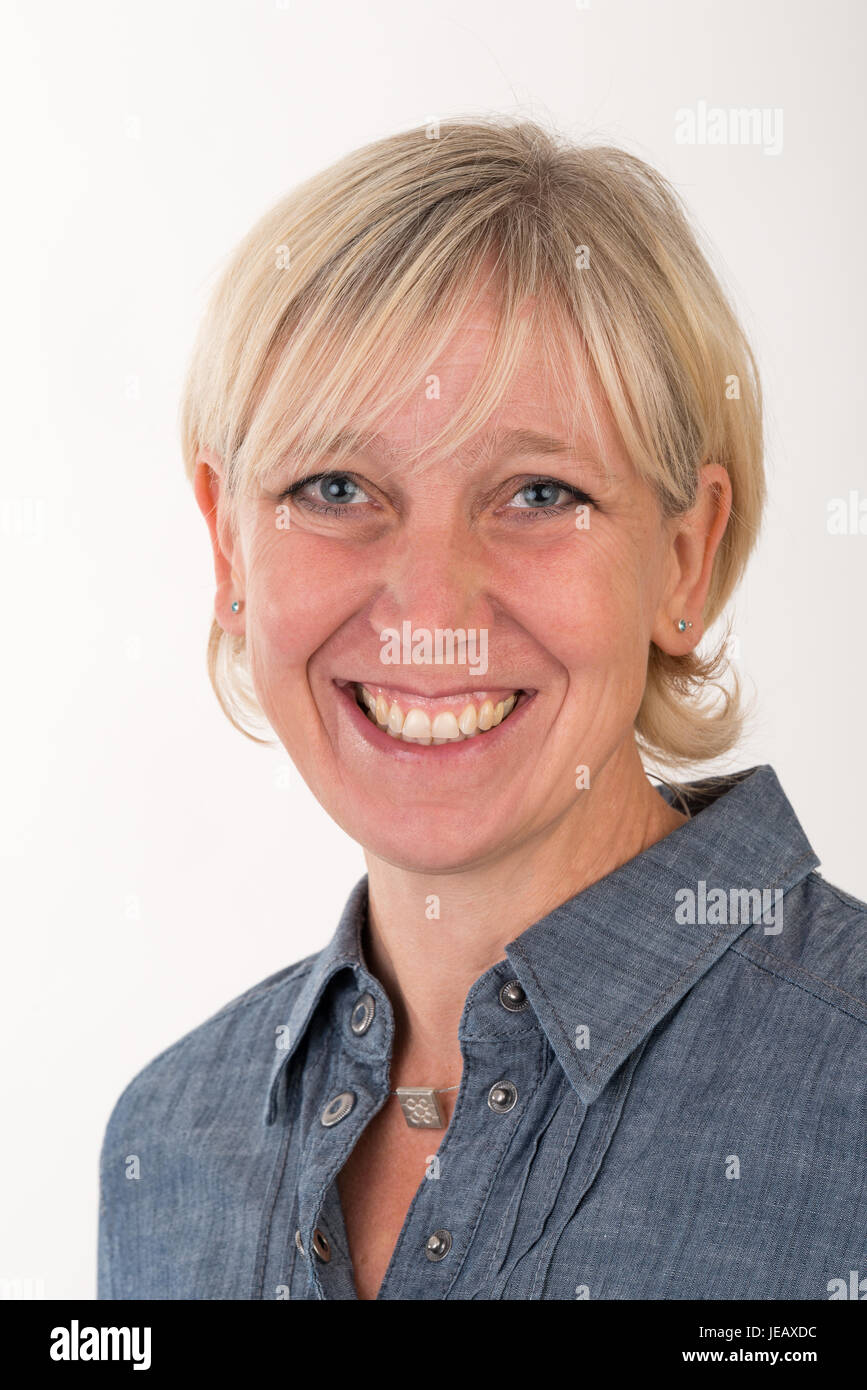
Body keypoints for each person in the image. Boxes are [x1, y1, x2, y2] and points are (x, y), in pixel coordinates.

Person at [98, 117, 867, 1301]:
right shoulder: (169, 1144)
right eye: (336, 487)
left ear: (684, 557)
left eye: (539, 491)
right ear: (229, 546)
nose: (429, 609)